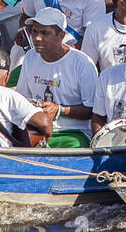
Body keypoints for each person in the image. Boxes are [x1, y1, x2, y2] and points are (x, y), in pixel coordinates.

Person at [15, 8, 99, 148]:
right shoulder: (30, 57)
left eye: (44, 33)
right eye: (34, 31)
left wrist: (60, 110)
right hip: (36, 128)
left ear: (60, 36)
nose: (37, 38)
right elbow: (22, 97)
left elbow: (93, 109)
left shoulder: (82, 63)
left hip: (73, 133)